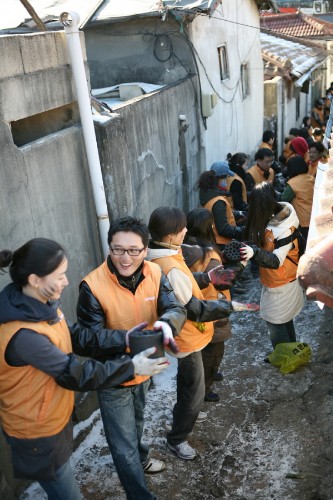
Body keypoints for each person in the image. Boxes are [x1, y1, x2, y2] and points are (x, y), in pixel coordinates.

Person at [0, 238, 169, 500]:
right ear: (34, 280)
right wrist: (130, 366)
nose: (67, 281)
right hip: (37, 432)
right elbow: (75, 372)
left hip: (52, 417)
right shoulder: (24, 335)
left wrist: (123, 339)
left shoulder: (38, 308)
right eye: (60, 275)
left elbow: (75, 336)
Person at [76, 216, 187, 500]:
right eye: (118, 249)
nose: (125, 258)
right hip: (114, 375)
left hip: (146, 369)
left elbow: (174, 306)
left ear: (146, 249)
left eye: (133, 250)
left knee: (137, 421)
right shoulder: (92, 286)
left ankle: (141, 459)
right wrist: (128, 340)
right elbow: (88, 340)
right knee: (122, 445)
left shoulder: (155, 273)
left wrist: (168, 323)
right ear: (109, 248)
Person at [147, 206, 259, 460]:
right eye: (181, 228)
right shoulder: (169, 263)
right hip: (188, 336)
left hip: (186, 334)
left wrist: (205, 278)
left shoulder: (167, 256)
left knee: (187, 385)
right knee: (195, 392)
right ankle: (177, 439)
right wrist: (230, 307)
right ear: (170, 234)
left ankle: (184, 416)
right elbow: (193, 308)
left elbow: (181, 286)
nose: (185, 230)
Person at [240, 183, 305, 349]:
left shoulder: (284, 228)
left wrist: (254, 253)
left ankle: (285, 356)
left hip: (283, 281)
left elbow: (276, 261)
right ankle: (290, 352)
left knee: (276, 322)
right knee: (283, 319)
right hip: (277, 281)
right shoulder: (273, 219)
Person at [182, 208, 232, 402]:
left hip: (193, 307)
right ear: (209, 227)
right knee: (215, 350)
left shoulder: (180, 251)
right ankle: (205, 386)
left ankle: (208, 375)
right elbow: (220, 282)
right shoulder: (209, 255)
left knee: (201, 349)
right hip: (212, 309)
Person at [198, 161, 245, 249]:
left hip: (214, 241)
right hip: (221, 244)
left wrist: (237, 214)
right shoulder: (218, 201)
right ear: (219, 180)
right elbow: (223, 229)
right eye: (226, 178)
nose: (228, 181)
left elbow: (217, 216)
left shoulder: (209, 194)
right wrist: (244, 230)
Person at [280, 156, 314, 243]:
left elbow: (283, 199)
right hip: (313, 216)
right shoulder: (311, 178)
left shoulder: (292, 183)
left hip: (302, 220)